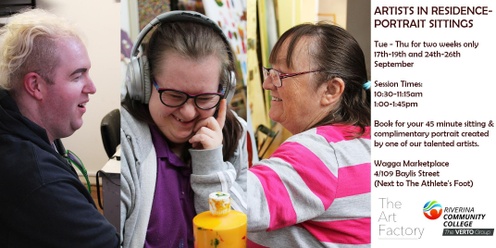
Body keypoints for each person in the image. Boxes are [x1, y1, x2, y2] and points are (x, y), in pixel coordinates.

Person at [192, 22, 371, 247]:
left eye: (281, 75)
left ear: (331, 90)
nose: (267, 83)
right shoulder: (364, 140)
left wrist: (208, 157)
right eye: (270, 72)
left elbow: (227, 213)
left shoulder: (318, 154)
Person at [120, 11, 248, 247]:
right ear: (143, 84)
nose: (188, 113)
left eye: (205, 97)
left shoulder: (235, 133)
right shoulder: (127, 138)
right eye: (174, 95)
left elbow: (237, 235)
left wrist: (211, 164)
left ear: (224, 91)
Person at [0, 9, 119, 247]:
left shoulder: (21, 125)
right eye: (77, 76)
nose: (92, 87)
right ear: (35, 85)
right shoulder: (39, 180)